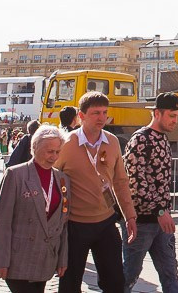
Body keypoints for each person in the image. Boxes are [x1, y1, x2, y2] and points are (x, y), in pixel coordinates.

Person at [53, 91, 136, 293]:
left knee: (115, 282)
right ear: (81, 116)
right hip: (75, 224)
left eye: (104, 112)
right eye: (96, 113)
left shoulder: (112, 141)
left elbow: (121, 181)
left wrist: (130, 216)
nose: (101, 118)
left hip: (105, 221)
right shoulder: (66, 143)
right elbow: (52, 179)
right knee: (70, 284)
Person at [0, 125, 72, 293]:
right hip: (18, 258)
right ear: (35, 148)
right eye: (49, 151)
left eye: (57, 152)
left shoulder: (62, 179)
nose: (54, 157)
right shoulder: (15, 175)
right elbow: (2, 221)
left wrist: (62, 258)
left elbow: (63, 223)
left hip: (45, 258)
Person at [123, 93, 178, 293]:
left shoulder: (163, 138)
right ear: (157, 113)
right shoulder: (140, 139)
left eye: (177, 116)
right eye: (171, 116)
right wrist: (159, 211)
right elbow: (135, 182)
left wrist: (163, 212)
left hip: (162, 222)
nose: (175, 121)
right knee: (129, 274)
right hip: (141, 222)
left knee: (170, 273)